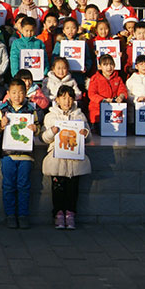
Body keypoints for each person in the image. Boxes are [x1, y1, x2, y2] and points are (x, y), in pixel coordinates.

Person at [41, 85, 92, 230]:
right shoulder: (51, 116)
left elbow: (89, 137)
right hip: (57, 159)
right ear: (57, 99)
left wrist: (85, 133)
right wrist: (52, 132)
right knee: (58, 188)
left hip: (75, 160)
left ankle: (70, 214)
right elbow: (44, 137)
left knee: (73, 189)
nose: (67, 101)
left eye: (70, 98)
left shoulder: (79, 115)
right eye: (63, 98)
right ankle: (58, 214)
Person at [0, 79, 39, 229]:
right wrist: (1, 125)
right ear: (8, 94)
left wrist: (35, 129)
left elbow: (39, 129)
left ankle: (23, 215)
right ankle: (10, 215)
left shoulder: (31, 110)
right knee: (8, 185)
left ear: (26, 94)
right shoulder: (3, 109)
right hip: (8, 154)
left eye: (21, 93)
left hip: (26, 155)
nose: (17, 96)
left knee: (24, 185)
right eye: (14, 93)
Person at [87, 55, 127, 128]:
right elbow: (92, 94)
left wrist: (121, 96)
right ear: (99, 66)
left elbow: (122, 90)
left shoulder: (118, 79)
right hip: (98, 111)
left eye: (111, 64)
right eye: (105, 65)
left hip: (114, 110)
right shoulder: (95, 79)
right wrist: (103, 100)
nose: (109, 67)